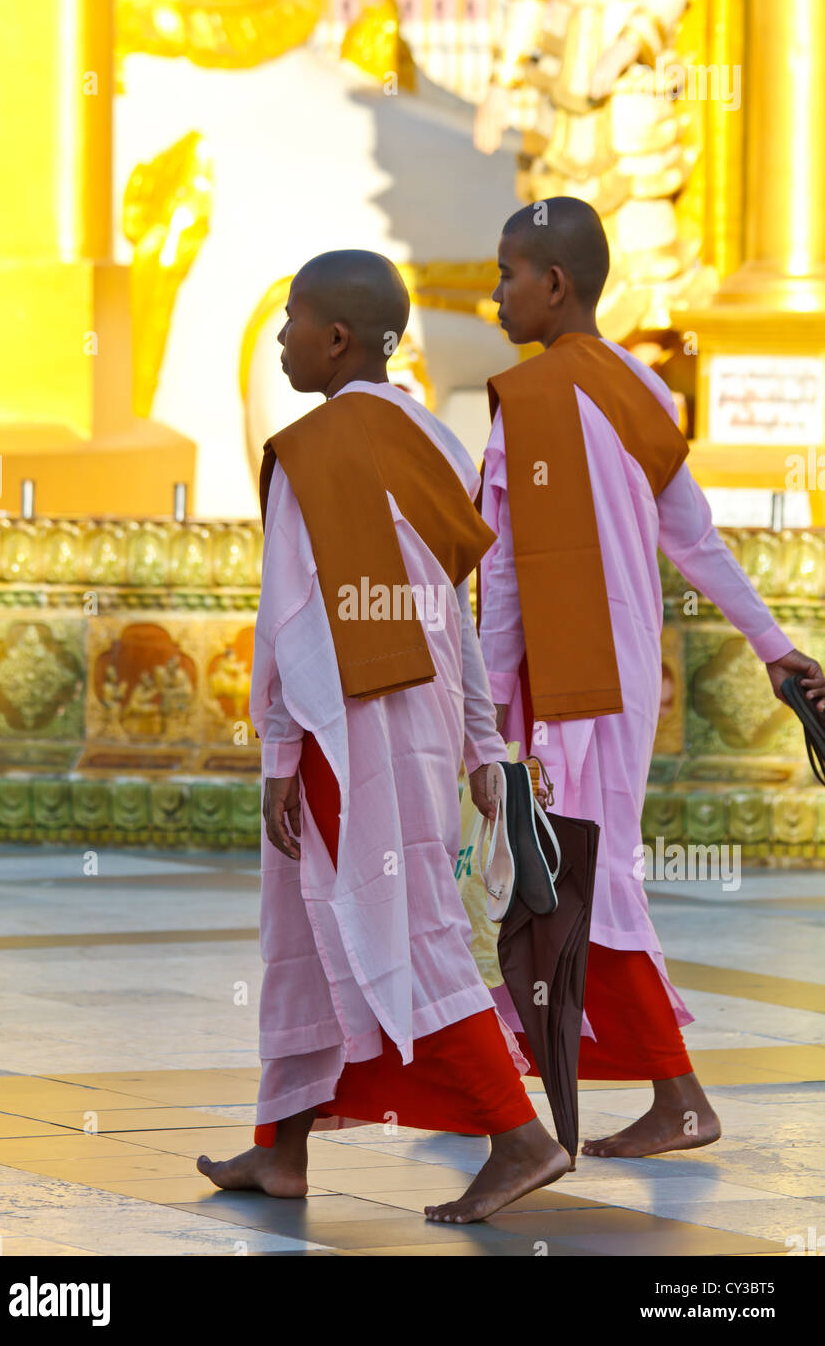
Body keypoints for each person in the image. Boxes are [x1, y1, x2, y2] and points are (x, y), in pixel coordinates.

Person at [197, 249, 570, 1223]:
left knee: (406, 930)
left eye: (290, 322)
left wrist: (280, 756)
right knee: (309, 928)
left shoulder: (308, 449)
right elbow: (456, 608)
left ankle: (516, 1134)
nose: (278, 339)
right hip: (417, 719)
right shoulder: (435, 439)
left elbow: (285, 622)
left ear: (333, 337)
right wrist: (480, 746)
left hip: (337, 730)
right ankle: (282, 1146)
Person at [479, 197, 825, 1159]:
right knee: (577, 867)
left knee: (583, 874)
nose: (495, 293)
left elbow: (504, 575)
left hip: (562, 681)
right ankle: (536, 1077)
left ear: (554, 283)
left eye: (508, 274)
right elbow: (697, 541)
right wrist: (772, 646)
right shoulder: (640, 385)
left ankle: (677, 1097)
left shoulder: (533, 398)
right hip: (625, 673)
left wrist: (490, 710)